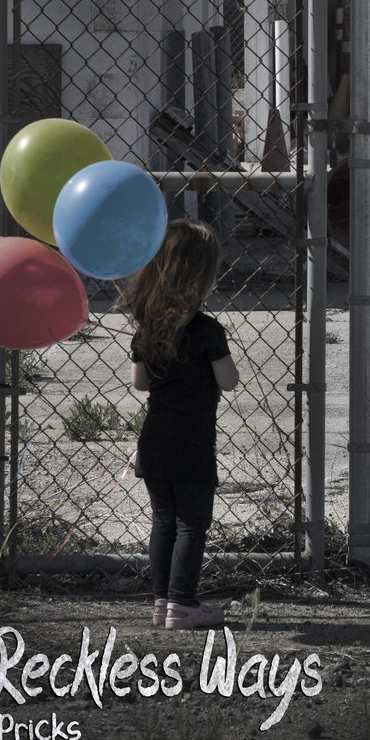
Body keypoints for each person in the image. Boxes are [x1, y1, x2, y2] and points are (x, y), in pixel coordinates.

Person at [124, 218, 239, 630]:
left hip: (154, 439)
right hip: (193, 441)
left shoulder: (147, 329)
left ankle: (162, 601)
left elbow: (140, 383)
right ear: (200, 278)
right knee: (192, 522)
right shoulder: (206, 330)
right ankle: (183, 604)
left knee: (163, 520)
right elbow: (228, 380)